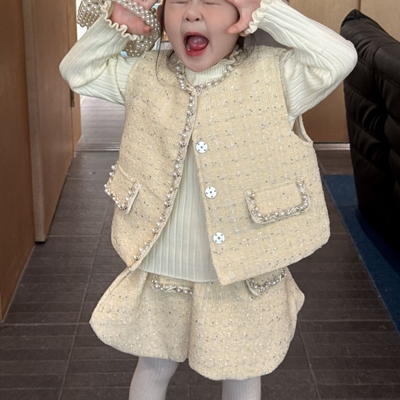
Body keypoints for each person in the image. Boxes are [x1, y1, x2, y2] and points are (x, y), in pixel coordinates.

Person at [60, 0, 357, 399]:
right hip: (165, 260)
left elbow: (340, 57)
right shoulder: (146, 73)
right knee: (154, 364)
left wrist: (266, 9)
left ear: (242, 16)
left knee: (242, 369)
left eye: (214, 1)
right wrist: (118, 24)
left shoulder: (278, 76)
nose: (192, 13)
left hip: (243, 263)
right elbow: (77, 72)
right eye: (179, 1)